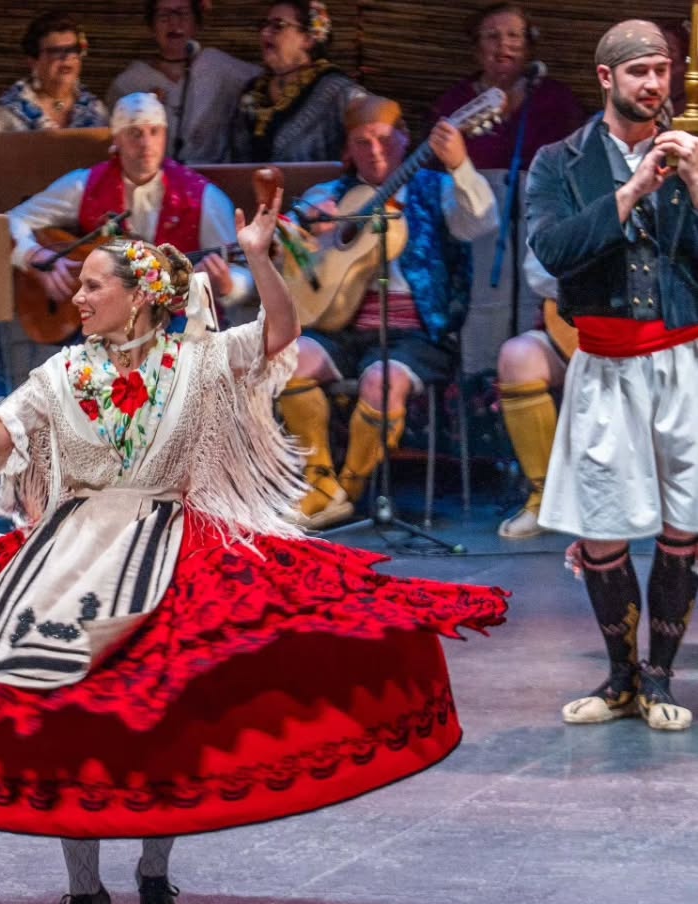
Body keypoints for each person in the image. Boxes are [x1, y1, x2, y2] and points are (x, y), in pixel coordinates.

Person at [0, 196, 507, 904]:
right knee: (64, 718)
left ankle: (155, 874)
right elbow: (2, 430)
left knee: (159, 720)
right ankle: (83, 891)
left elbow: (279, 333)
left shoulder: (197, 360)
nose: (79, 295)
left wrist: (260, 254)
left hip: (168, 550)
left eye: (95, 284)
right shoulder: (63, 371)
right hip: (68, 557)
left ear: (139, 296)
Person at [526, 20, 698, 732]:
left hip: (681, 360)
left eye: (662, 71)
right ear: (607, 78)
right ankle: (620, 678)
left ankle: (659, 677)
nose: (654, 85)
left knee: (683, 523)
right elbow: (555, 248)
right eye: (639, 73)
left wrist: (692, 176)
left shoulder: (691, 156)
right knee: (602, 528)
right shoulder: (557, 162)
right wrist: (631, 191)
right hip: (604, 362)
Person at [278, 96, 497, 529]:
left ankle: (348, 491)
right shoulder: (329, 196)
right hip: (342, 329)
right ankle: (319, 483)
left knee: (382, 382)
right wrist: (306, 239)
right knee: (289, 360)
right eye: (362, 142)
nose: (375, 150)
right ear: (348, 150)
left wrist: (459, 165)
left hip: (418, 335)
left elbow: (482, 221)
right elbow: (288, 255)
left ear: (404, 139)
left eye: (383, 139)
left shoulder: (438, 190)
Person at [5, 90, 252, 387]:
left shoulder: (202, 197)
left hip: (175, 329)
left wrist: (228, 285)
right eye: (134, 133)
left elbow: (243, 272)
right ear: (117, 140)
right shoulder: (86, 185)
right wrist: (34, 257)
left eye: (154, 132)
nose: (146, 143)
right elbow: (11, 220)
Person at [430, 3, 586, 173]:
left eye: (513, 35)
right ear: (477, 50)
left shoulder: (557, 100)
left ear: (528, 48)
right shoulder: (454, 101)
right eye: (492, 36)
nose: (503, 43)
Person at [105, 0, 257, 163]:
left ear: (196, 22)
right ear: (151, 26)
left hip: (212, 180)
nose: (174, 22)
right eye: (163, 15)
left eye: (182, 13)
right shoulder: (130, 83)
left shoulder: (219, 67)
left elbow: (263, 82)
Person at [230, 0, 364, 164]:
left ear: (308, 39)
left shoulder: (338, 91)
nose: (265, 32)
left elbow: (375, 125)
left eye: (278, 25)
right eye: (264, 25)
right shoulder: (252, 92)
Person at [494, 251, 568, 539]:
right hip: (576, 330)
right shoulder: (560, 203)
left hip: (662, 331)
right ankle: (546, 501)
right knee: (518, 357)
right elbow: (539, 268)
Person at [0, 11, 109, 133]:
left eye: (73, 49)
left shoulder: (96, 111)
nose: (66, 58)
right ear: (33, 61)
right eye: (55, 52)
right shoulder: (6, 114)